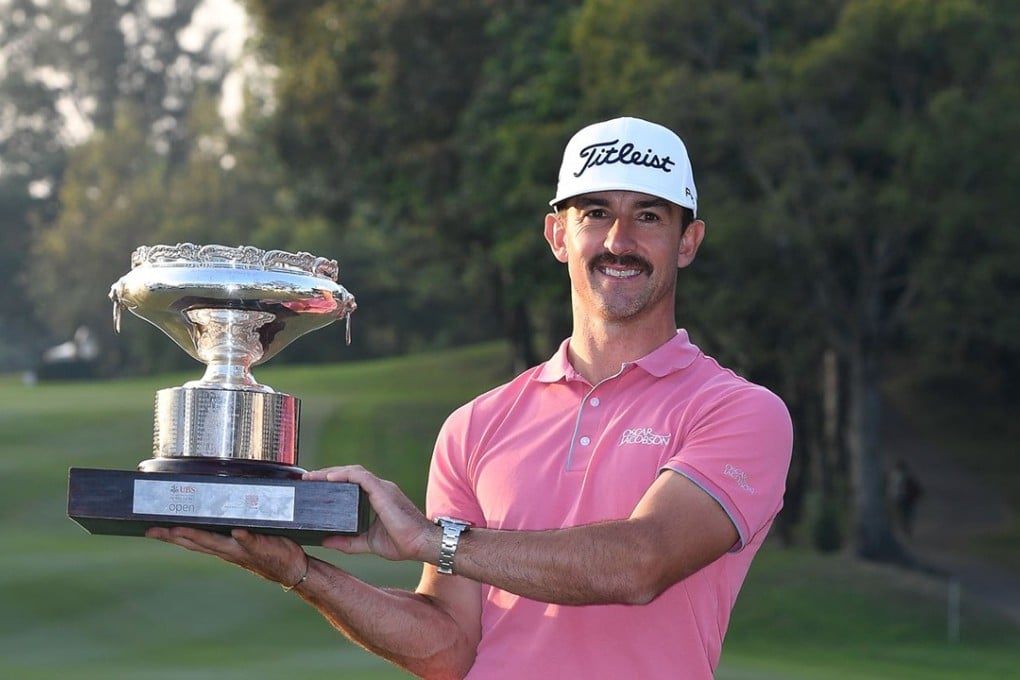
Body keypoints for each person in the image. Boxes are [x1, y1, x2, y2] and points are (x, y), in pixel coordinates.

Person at [147, 117, 794, 679]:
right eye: (596, 212)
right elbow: (449, 648)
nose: (619, 240)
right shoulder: (479, 424)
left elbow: (639, 564)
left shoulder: (738, 412)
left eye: (647, 215)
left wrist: (433, 540)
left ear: (688, 241)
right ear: (557, 234)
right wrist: (300, 571)